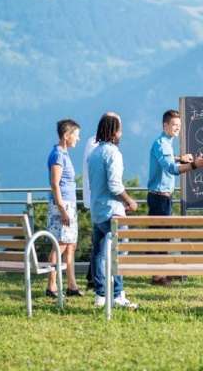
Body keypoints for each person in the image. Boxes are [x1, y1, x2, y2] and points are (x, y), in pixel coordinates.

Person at [146, 109, 203, 285]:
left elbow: (168, 161)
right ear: (165, 125)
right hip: (159, 197)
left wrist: (180, 158)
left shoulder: (166, 143)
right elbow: (171, 169)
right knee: (158, 236)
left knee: (164, 235)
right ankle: (157, 276)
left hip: (163, 197)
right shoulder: (161, 143)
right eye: (174, 124)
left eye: (179, 125)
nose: (177, 128)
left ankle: (161, 272)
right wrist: (194, 165)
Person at [88, 112, 138, 309]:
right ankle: (117, 295)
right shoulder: (113, 153)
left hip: (97, 211)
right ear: (114, 132)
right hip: (112, 211)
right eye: (120, 129)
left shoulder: (94, 154)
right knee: (118, 254)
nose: (121, 133)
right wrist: (129, 201)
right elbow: (115, 185)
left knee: (99, 253)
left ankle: (100, 295)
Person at [46, 119, 82, 298]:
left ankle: (71, 285)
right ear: (67, 136)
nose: (78, 138)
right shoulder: (58, 155)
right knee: (60, 245)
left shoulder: (64, 154)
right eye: (76, 135)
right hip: (62, 205)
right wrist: (62, 209)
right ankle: (51, 285)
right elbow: (55, 184)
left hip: (69, 204)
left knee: (70, 245)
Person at [82, 134, 99, 290]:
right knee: (99, 241)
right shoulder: (95, 144)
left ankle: (92, 276)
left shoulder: (92, 143)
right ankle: (94, 278)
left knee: (98, 240)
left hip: (95, 199)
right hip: (98, 201)